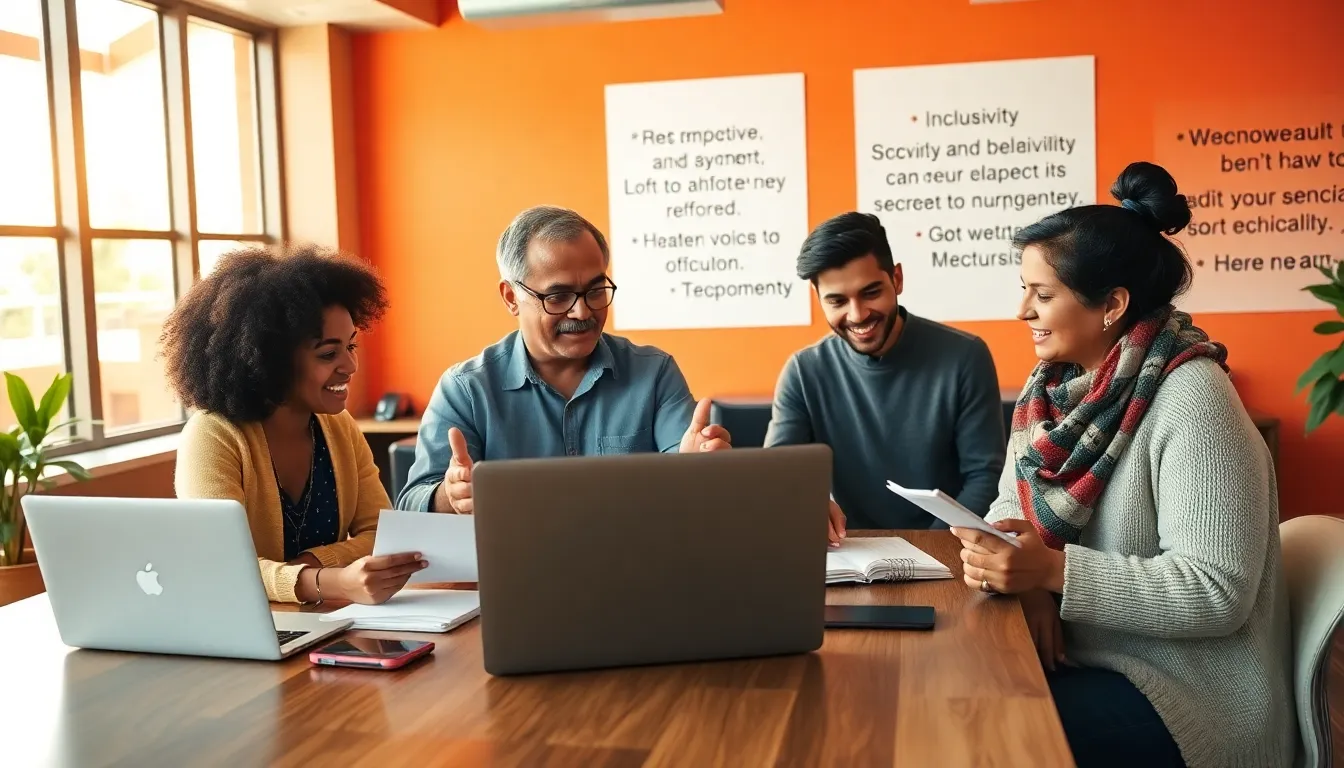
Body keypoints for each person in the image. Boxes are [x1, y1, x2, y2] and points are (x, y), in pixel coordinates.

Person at [949, 162, 1294, 768]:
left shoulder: (1193, 398)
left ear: (1112, 304)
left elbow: (1216, 593)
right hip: (1080, 657)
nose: (1021, 311)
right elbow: (1012, 504)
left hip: (1187, 697)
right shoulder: (1049, 390)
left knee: (981, 736)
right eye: (1024, 288)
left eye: (1043, 294)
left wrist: (1050, 573)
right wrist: (1025, 581)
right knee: (955, 702)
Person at [396, 205, 732, 514]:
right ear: (511, 297)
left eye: (596, 290)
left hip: (636, 567)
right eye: (558, 296)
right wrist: (450, 496)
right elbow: (411, 502)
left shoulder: (654, 372)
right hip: (511, 572)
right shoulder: (466, 389)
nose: (582, 311)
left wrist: (699, 470)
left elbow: (689, 481)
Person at [164, 245, 427, 605]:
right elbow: (219, 566)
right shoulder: (213, 436)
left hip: (324, 621)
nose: (350, 366)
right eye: (327, 353)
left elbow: (379, 532)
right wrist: (329, 582)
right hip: (244, 629)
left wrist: (309, 565)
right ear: (269, 360)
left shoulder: (339, 428)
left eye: (351, 346)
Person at [764, 211, 1005, 544]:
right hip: (852, 550)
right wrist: (806, 504)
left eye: (870, 292)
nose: (857, 314)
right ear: (820, 299)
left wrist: (929, 549)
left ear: (897, 279)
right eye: (837, 300)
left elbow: (984, 478)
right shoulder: (803, 372)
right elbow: (781, 477)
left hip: (949, 549)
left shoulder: (966, 356)